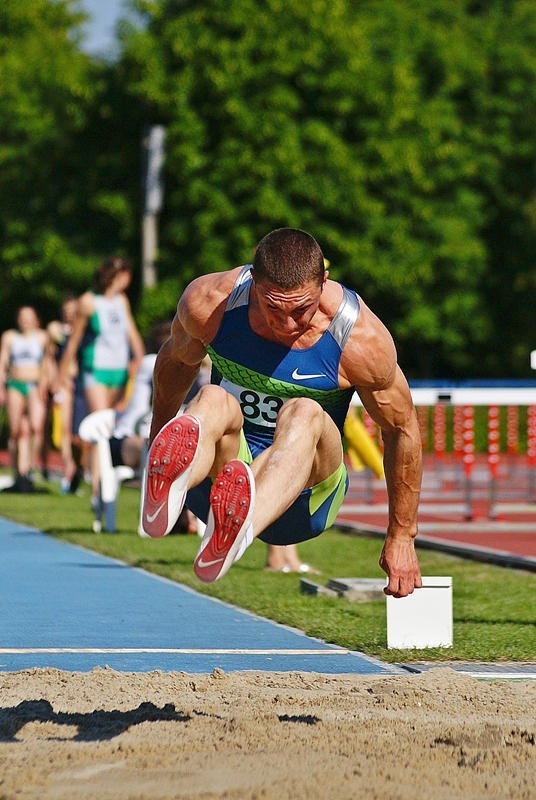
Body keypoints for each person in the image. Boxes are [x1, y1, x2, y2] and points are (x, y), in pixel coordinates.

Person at [139, 228, 422, 597]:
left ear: (324, 280)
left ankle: (240, 525)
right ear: (254, 282)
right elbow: (175, 364)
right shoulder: (211, 302)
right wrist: (157, 438)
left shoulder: (360, 340)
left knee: (304, 411)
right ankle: (179, 485)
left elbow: (402, 429)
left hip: (305, 500)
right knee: (211, 397)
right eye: (273, 307)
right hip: (221, 476)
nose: (287, 324)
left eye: (300, 309)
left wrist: (401, 534)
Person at [58, 255, 145, 501]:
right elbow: (74, 341)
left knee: (112, 429)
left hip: (118, 371)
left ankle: (96, 475)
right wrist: (62, 375)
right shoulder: (88, 301)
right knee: (100, 426)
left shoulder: (121, 301)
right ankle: (98, 488)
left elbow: (131, 332)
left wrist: (139, 357)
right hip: (95, 368)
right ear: (118, 274)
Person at [0, 306, 52, 491]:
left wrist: (45, 384)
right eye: (22, 317)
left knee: (36, 427)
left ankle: (29, 467)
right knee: (16, 431)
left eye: (28, 317)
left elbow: (47, 362)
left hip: (34, 385)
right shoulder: (9, 337)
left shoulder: (42, 337)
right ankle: (17, 472)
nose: (25, 321)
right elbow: (3, 361)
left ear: (35, 319)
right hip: (15, 384)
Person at [47, 295, 87, 492]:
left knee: (77, 433)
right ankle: (68, 470)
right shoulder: (56, 330)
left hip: (80, 383)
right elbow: (50, 357)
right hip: (64, 382)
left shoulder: (83, 331)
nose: (70, 314)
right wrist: (56, 381)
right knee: (63, 428)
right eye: (68, 310)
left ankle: (79, 468)